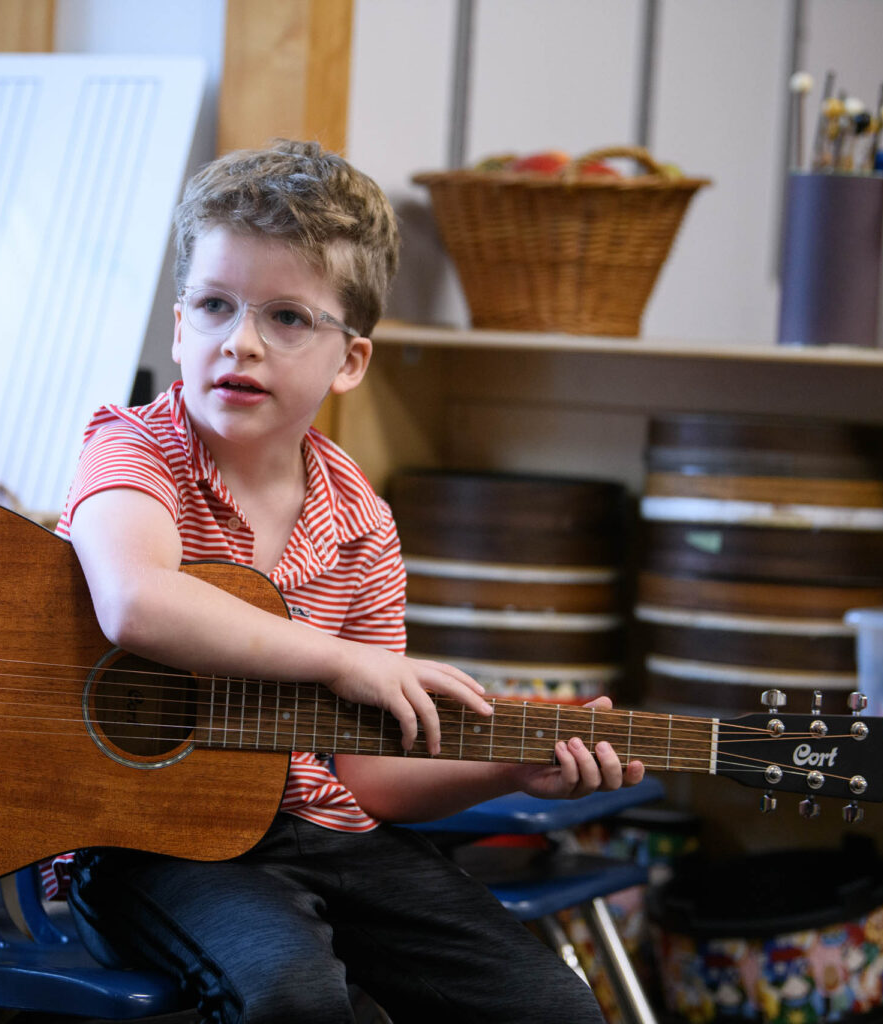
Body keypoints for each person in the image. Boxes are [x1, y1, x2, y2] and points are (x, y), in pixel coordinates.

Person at [53, 138, 646, 1024]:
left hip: (318, 829)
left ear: (352, 360)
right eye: (213, 306)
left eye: (288, 318)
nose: (240, 342)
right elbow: (135, 599)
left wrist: (512, 770)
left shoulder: (360, 518)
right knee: (295, 997)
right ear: (179, 328)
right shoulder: (135, 451)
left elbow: (368, 773)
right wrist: (336, 659)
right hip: (148, 837)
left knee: (550, 1006)